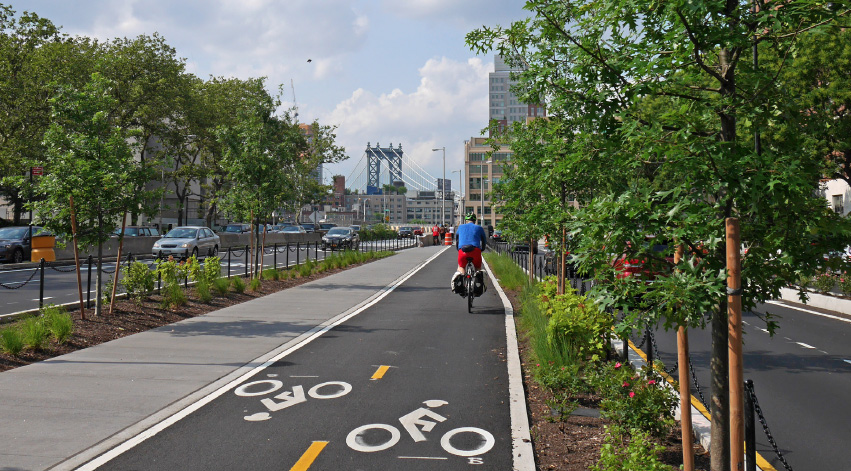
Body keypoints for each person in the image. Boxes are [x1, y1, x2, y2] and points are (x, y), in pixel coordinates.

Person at [451, 213, 487, 295]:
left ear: (466, 220)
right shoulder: (479, 228)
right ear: (475, 220)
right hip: (475, 250)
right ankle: (477, 276)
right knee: (478, 267)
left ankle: (461, 278)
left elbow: (457, 240)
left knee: (461, 267)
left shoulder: (460, 227)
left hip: (462, 251)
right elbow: (484, 240)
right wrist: (482, 249)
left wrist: (458, 249)